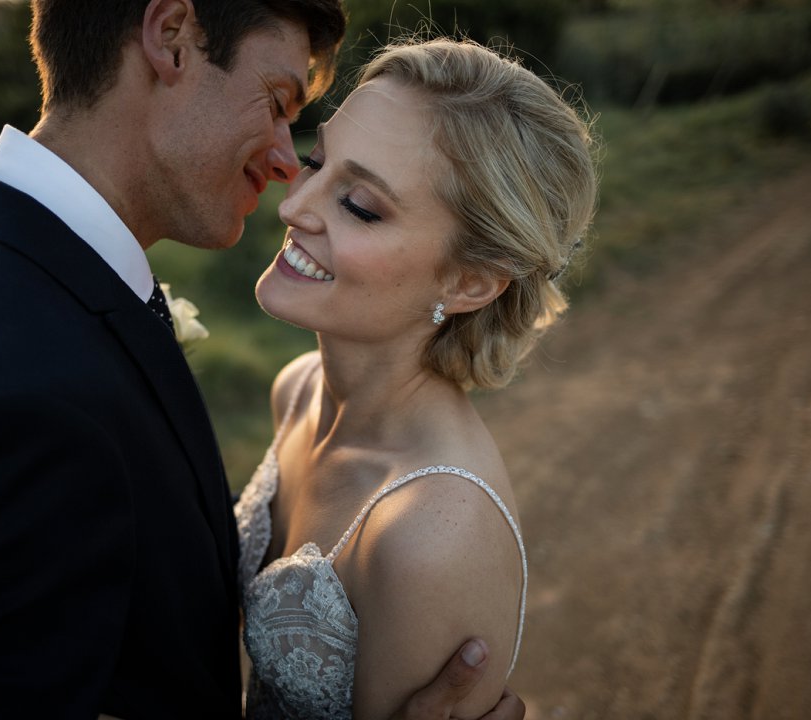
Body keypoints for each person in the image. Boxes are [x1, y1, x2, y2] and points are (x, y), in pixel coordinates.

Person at [0, 1, 527, 718]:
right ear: (173, 38)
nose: (290, 179)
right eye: (279, 103)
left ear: (472, 280)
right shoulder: (12, 396)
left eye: (360, 201)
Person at [237, 37, 597, 719]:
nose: (293, 208)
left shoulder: (431, 534)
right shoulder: (299, 388)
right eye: (315, 161)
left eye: (361, 206)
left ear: (470, 282)